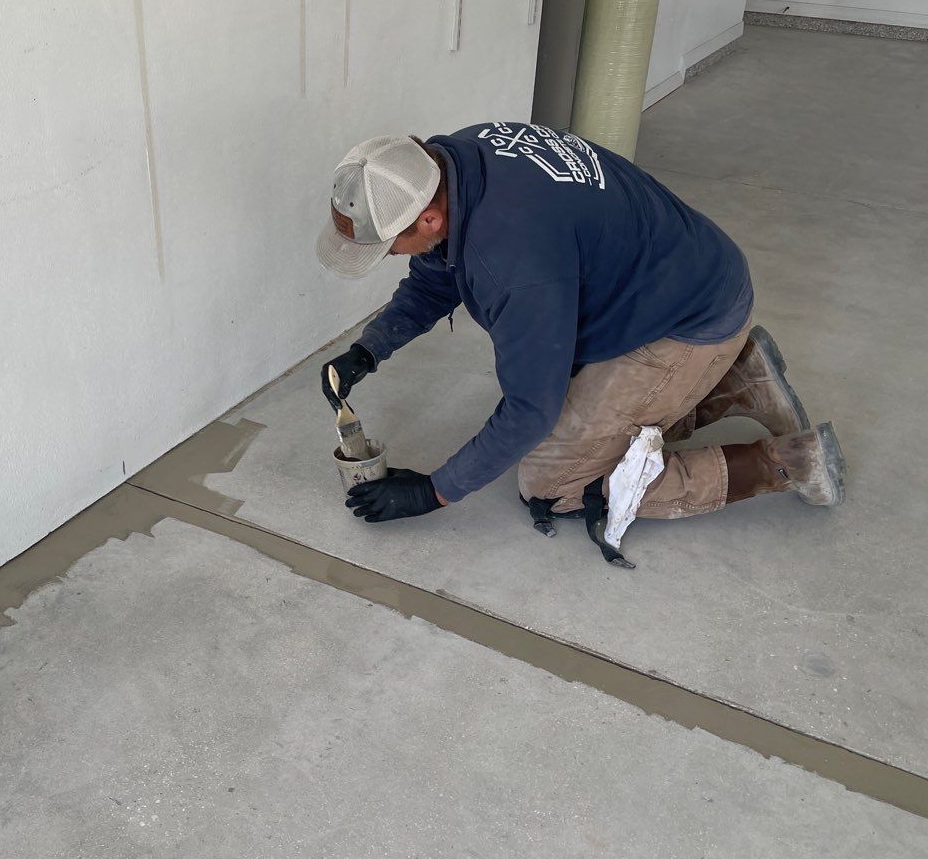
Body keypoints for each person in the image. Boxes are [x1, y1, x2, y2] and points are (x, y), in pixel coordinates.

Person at [315, 122, 845, 545]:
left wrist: (433, 494)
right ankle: (734, 380)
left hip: (684, 323)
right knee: (564, 425)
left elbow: (530, 409)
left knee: (553, 483)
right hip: (689, 275)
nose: (386, 257)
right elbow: (437, 273)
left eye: (386, 247)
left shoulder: (513, 258)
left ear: (428, 217)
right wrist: (370, 348)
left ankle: (786, 461)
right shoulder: (458, 160)